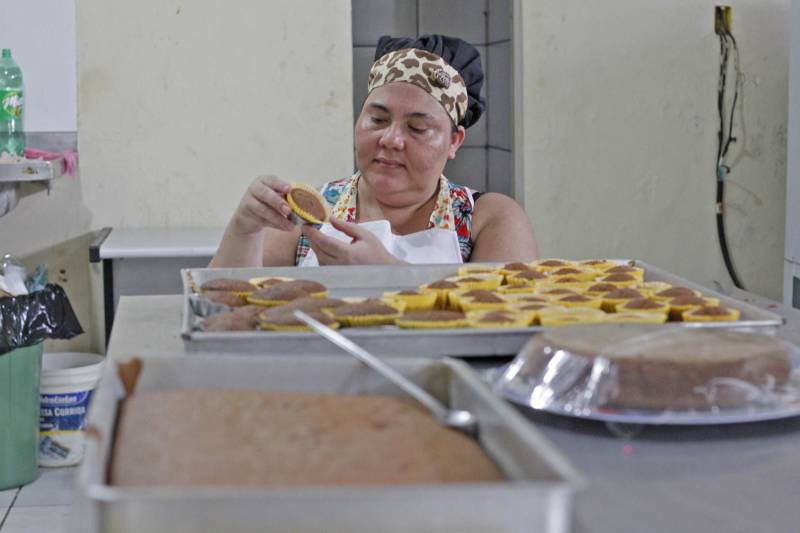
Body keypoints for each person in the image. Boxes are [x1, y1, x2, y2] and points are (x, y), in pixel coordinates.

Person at [210, 34, 538, 268]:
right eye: (378, 119)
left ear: (454, 141)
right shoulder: (310, 216)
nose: (391, 139)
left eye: (418, 128)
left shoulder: (488, 218)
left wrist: (391, 278)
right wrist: (243, 229)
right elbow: (224, 310)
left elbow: (510, 323)